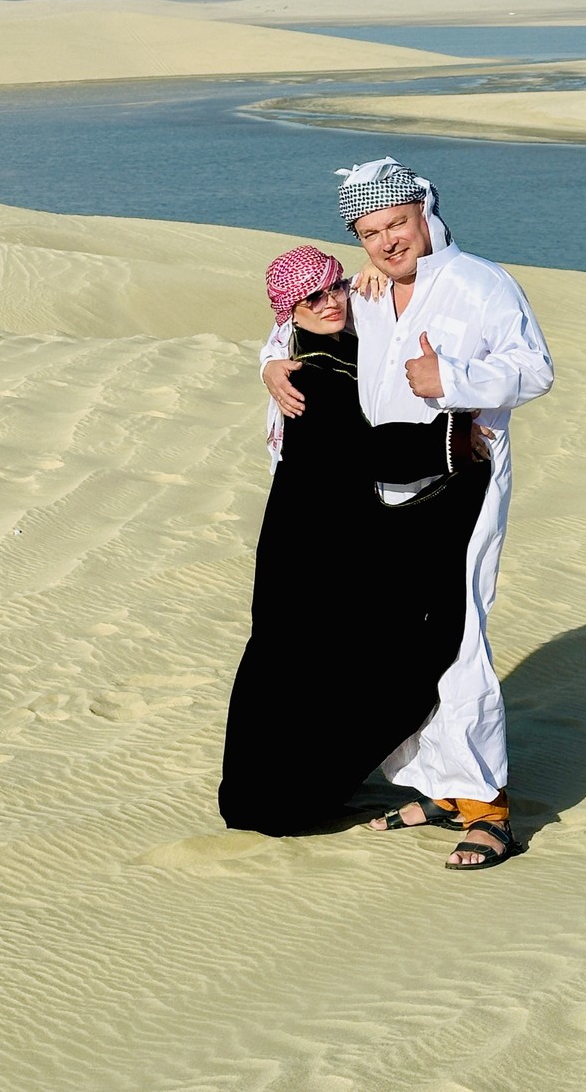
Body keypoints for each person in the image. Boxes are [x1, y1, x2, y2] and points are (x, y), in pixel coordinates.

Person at [263, 159, 554, 868]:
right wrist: (269, 364)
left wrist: (451, 378)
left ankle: (488, 808)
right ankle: (439, 786)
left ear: (424, 211)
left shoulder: (481, 284)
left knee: (458, 639)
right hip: (378, 496)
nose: (388, 241)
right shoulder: (365, 291)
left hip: (461, 486)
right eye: (371, 233)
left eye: (397, 223)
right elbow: (302, 327)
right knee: (394, 643)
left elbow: (535, 368)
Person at [218, 245, 488, 837]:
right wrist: (454, 440)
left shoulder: (328, 347)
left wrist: (376, 273)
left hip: (326, 532)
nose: (331, 302)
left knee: (317, 661)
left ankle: (288, 791)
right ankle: (273, 800)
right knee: (298, 662)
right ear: (290, 311)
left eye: (336, 286)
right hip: (308, 546)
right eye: (312, 298)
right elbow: (361, 450)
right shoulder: (309, 374)